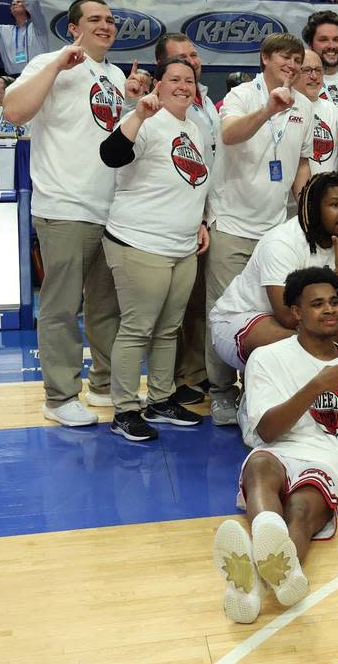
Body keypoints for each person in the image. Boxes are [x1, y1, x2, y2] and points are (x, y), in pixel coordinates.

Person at [212, 267, 338, 625]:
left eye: (334, 302)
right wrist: (315, 386)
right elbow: (268, 430)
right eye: (317, 304)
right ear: (296, 313)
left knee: (300, 509)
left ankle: (252, 583)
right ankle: (269, 534)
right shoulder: (267, 358)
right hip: (280, 449)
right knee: (259, 466)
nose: (330, 310)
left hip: (329, 462)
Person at [2, 0, 130, 427]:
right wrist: (58, 64)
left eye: (110, 20)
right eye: (95, 19)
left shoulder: (113, 74)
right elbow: (15, 110)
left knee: (105, 307)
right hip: (64, 205)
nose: (105, 25)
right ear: (73, 28)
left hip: (108, 208)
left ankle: (103, 384)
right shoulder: (48, 61)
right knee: (61, 307)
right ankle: (58, 397)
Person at [98, 57, 210, 441]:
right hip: (140, 243)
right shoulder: (143, 119)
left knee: (168, 329)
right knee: (137, 329)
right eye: (174, 79)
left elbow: (191, 182)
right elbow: (111, 155)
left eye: (189, 80)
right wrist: (138, 114)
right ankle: (125, 409)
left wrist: (200, 220)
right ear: (157, 84)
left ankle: (161, 398)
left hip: (181, 246)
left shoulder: (193, 126)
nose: (183, 85)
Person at [207, 33, 314, 425]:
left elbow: (302, 161)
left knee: (268, 317)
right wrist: (268, 110)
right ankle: (220, 393)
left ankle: (256, 388)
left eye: (297, 59)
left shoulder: (305, 105)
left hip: (275, 228)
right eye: (285, 57)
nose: (292, 64)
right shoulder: (240, 95)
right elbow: (229, 134)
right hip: (232, 221)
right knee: (222, 311)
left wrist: (305, 206)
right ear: (265, 58)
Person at [209, 168, 338, 380]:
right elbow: (289, 316)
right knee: (306, 344)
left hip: (305, 316)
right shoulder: (281, 242)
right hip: (243, 318)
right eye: (335, 205)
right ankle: (253, 405)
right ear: (314, 208)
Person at [154, 33, 221, 409]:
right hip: (164, 222)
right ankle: (168, 380)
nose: (191, 62)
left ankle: (192, 373)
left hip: (201, 214)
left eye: (194, 55)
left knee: (195, 305)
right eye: (180, 59)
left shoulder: (207, 103)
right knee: (164, 313)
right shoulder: (153, 108)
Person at [294, 49, 338, 176]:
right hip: (294, 194)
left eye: (318, 70)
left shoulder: (333, 110)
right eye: (307, 70)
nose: (314, 76)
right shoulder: (283, 107)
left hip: (328, 192)